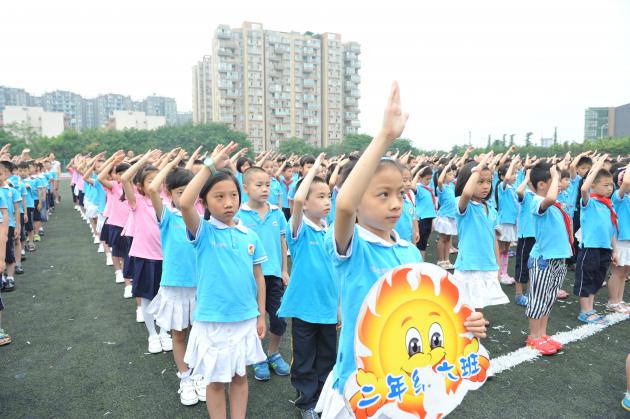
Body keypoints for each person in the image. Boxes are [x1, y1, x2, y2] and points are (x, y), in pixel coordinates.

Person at [316, 82, 488, 419]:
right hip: (364, 385)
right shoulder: (353, 247)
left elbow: (428, 313)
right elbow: (345, 207)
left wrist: (466, 325)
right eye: (382, 195)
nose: (396, 204)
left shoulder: (410, 252)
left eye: (400, 193)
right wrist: (384, 137)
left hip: (409, 384)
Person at [180, 142, 267, 419]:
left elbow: (258, 277)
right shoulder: (203, 232)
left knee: (241, 377)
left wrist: (260, 314)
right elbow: (184, 202)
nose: (228, 202)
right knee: (215, 381)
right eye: (219, 197)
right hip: (213, 320)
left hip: (244, 318)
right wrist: (208, 166)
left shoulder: (249, 235)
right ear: (204, 203)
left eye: (233, 195)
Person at [278, 153, 337, 419]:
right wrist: (312, 171)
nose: (327, 202)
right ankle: (306, 403)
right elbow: (298, 200)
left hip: (327, 307)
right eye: (321, 197)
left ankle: (324, 399)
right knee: (303, 358)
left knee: (327, 356)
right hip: (304, 307)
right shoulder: (299, 229)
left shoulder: (330, 231)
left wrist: (338, 307)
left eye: (328, 197)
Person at [145, 149, 205, 406]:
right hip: (175, 286)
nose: (185, 197)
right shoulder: (167, 217)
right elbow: (152, 189)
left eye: (188, 191)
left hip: (201, 286)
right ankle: (185, 378)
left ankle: (201, 375)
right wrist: (169, 165)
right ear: (169, 194)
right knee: (179, 335)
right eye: (179, 192)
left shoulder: (202, 218)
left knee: (200, 333)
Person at [236, 165, 291, 381]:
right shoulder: (240, 215)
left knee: (278, 319)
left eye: (267, 184)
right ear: (246, 188)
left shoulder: (277, 213)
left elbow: (282, 239)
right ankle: (258, 357)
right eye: (259, 185)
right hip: (250, 278)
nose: (265, 189)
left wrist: (284, 269)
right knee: (255, 319)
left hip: (274, 276)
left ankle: (273, 353)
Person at [121, 150, 172, 353]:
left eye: (157, 179)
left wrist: (170, 161)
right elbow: (125, 178)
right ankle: (152, 335)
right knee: (147, 297)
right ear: (140, 186)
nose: (154, 183)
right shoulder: (138, 202)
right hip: (145, 256)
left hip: (167, 257)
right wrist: (144, 160)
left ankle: (164, 332)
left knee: (167, 297)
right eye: (149, 180)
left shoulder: (167, 201)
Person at [525, 162, 573, 355]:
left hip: (558, 258)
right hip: (543, 260)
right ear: (543, 185)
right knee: (538, 299)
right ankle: (533, 337)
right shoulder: (537, 201)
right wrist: (555, 174)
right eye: (555, 180)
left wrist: (555, 175)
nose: (560, 183)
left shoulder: (556, 204)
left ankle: (543, 334)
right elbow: (551, 197)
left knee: (548, 298)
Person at [453, 153, 509, 312]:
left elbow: (494, 241)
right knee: (465, 310)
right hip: (469, 266)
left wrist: (497, 267)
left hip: (487, 265)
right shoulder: (464, 205)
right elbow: (466, 194)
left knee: (479, 308)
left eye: (489, 182)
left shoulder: (491, 209)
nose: (486, 186)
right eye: (480, 182)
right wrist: (479, 166)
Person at [574, 155, 617, 324]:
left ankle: (590, 307)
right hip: (590, 247)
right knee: (587, 277)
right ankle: (584, 310)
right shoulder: (589, 202)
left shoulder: (608, 204)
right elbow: (584, 189)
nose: (609, 188)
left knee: (598, 279)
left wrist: (615, 249)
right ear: (593, 185)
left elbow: (612, 228)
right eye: (605, 185)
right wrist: (595, 167)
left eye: (611, 185)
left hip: (604, 247)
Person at [496, 157, 521, 285]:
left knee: (505, 250)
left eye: (516, 173)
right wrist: (512, 163)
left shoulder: (512, 188)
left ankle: (504, 273)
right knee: (500, 249)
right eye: (512, 173)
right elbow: (505, 179)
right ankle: (498, 275)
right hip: (504, 221)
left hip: (511, 222)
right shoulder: (502, 186)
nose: (514, 176)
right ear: (501, 176)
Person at [609, 163, 630, 313]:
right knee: (617, 272)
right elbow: (627, 182)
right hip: (620, 240)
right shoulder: (618, 196)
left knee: (624, 273)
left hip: (627, 240)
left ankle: (619, 300)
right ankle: (613, 301)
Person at [514, 168, 535, 306]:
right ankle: (519, 294)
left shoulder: (540, 196)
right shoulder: (526, 194)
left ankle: (530, 292)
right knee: (522, 265)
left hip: (537, 236)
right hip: (526, 235)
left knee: (533, 265)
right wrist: (527, 178)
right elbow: (519, 191)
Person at [434, 161, 458, 269]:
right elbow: (439, 180)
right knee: (442, 238)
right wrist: (446, 167)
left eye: (452, 174)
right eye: (449, 174)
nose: (452, 175)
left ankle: (447, 260)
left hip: (452, 216)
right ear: (443, 176)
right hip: (444, 216)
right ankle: (440, 260)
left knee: (449, 239)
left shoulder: (450, 186)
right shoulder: (441, 187)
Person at [414, 165, 437, 260]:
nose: (429, 181)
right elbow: (411, 185)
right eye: (427, 179)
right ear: (420, 178)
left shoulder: (428, 189)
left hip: (429, 218)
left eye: (430, 179)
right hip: (422, 218)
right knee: (420, 244)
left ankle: (421, 262)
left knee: (424, 242)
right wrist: (418, 173)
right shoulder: (418, 188)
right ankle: (420, 263)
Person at [394, 165, 419, 243]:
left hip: (407, 244)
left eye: (410, 180)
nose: (408, 184)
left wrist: (417, 232)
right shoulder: (391, 205)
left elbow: (413, 219)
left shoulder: (408, 203)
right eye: (404, 181)